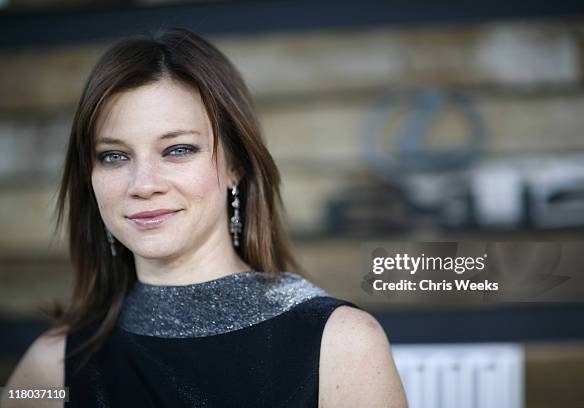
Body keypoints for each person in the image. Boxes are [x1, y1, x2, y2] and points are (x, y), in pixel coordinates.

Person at [1, 27, 408, 407]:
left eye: (177, 150)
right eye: (114, 156)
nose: (143, 184)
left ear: (236, 166)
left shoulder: (342, 344)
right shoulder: (53, 366)